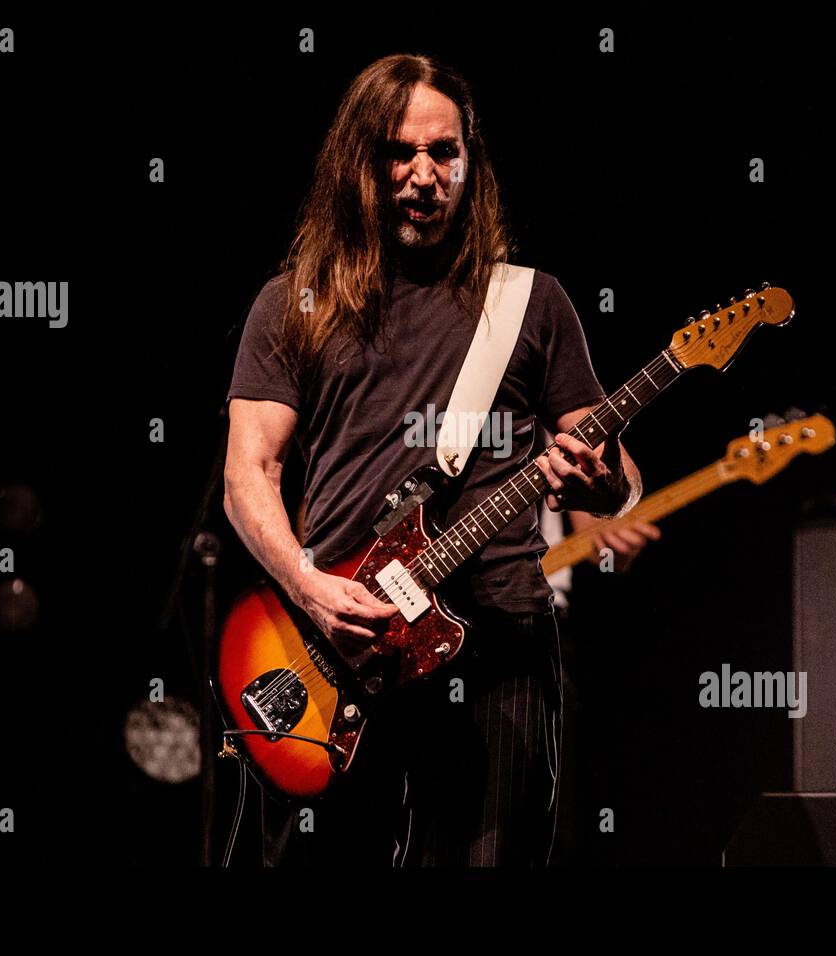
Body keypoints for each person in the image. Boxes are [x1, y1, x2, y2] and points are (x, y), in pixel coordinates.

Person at [222, 53, 642, 866]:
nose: (424, 174)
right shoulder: (292, 302)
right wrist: (306, 587)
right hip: (341, 640)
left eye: (444, 153)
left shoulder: (529, 300)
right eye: (399, 153)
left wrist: (603, 477)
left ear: (469, 162)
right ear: (360, 163)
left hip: (500, 647)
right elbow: (250, 473)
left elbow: (617, 478)